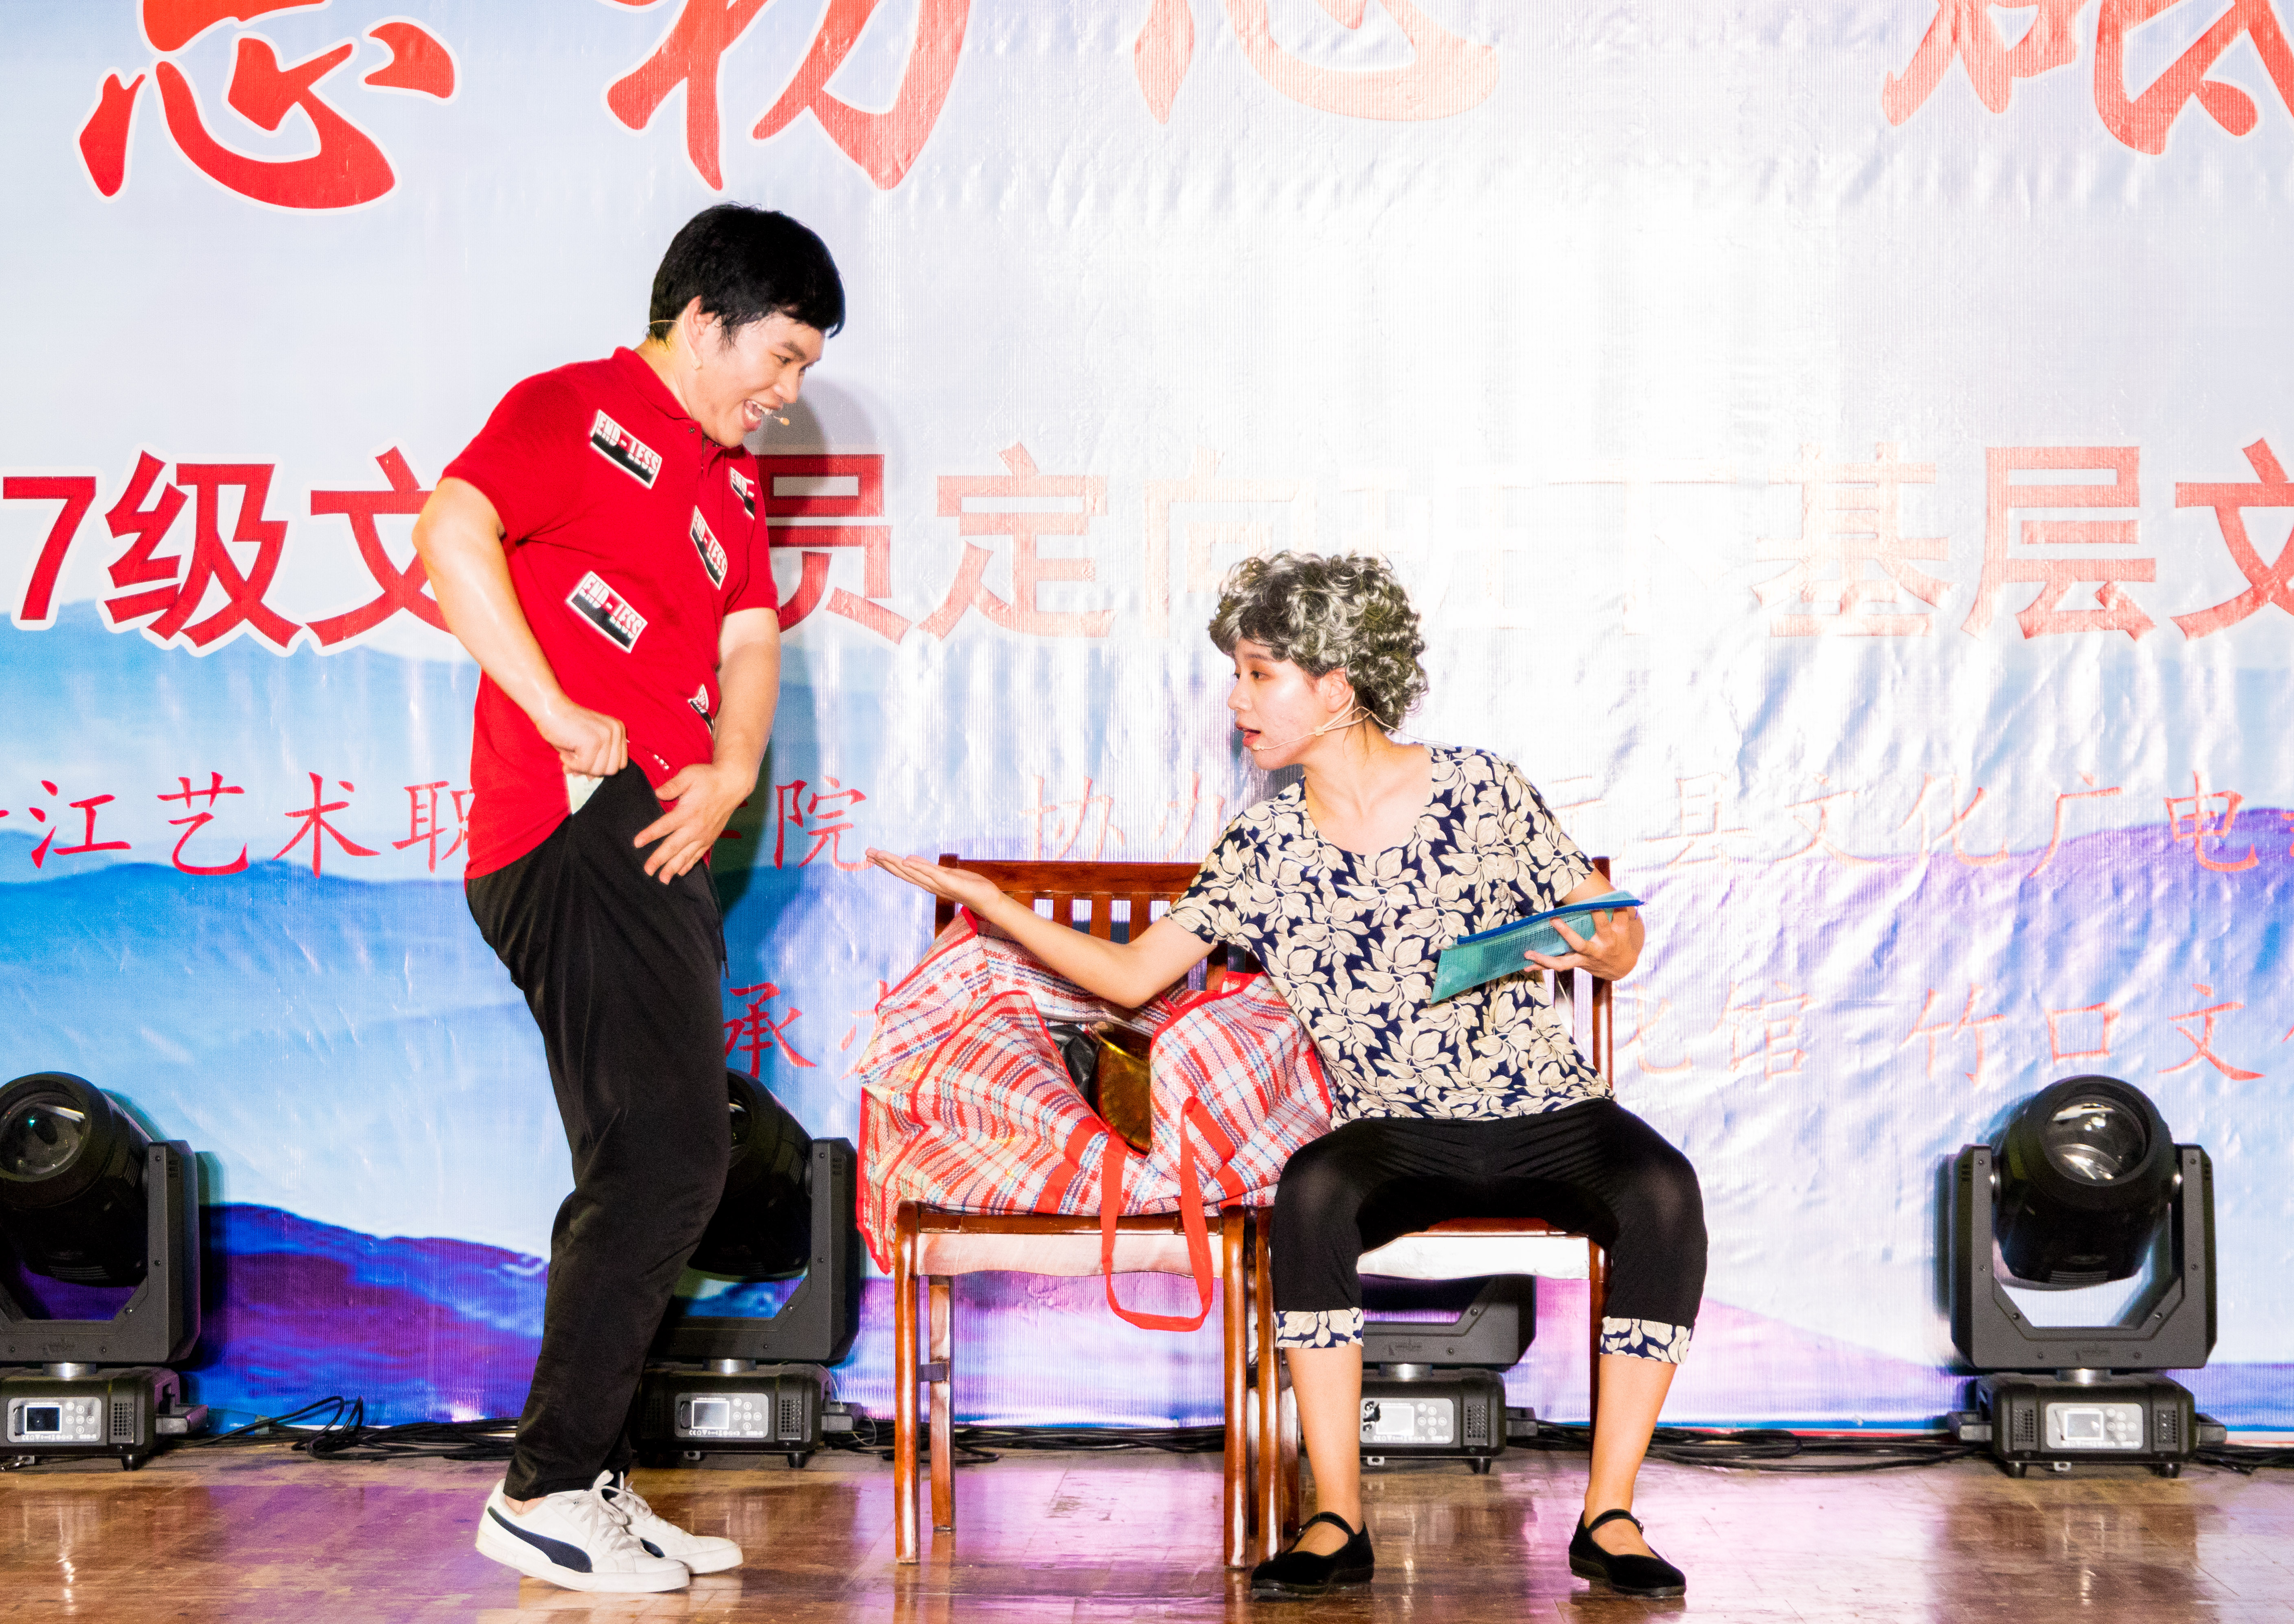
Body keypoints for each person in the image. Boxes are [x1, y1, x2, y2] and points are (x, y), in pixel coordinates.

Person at [868, 551, 1706, 1602]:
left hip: (1549, 1110)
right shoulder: (1263, 846)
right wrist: (993, 905)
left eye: (1260, 675)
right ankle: (1336, 1519)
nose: (1236, 700)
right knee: (1312, 1191)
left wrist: (1599, 944)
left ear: (1337, 686)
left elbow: (1614, 933)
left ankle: (1610, 1516)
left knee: (1663, 1189)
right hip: (1395, 1128)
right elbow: (1130, 979)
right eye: (1238, 675)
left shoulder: (1482, 788)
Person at [412, 203, 843, 1595]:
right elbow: (449, 527)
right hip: (576, 821)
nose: (788, 395)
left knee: (643, 1161)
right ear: (704, 322)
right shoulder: (572, 409)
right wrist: (552, 707)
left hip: (659, 830)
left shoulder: (727, 485)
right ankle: (544, 1489)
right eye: (781, 359)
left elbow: (751, 639)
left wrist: (733, 769)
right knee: (669, 1159)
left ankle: (582, 1471)